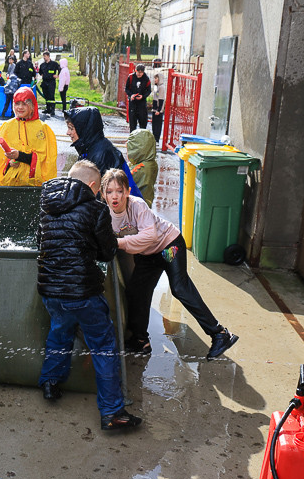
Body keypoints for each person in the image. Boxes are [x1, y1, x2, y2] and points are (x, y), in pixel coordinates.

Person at [36, 161, 141, 431]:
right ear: (94, 186)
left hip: (50, 291)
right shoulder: (96, 208)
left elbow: (40, 242)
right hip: (82, 292)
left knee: (60, 331)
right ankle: (112, 413)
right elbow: (107, 252)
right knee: (104, 346)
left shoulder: (47, 203)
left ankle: (50, 383)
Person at [102, 168, 239, 358]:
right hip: (147, 255)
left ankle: (220, 334)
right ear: (103, 194)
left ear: (127, 192)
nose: (114, 196)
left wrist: (120, 243)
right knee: (135, 292)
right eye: (109, 192)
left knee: (180, 288)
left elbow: (151, 235)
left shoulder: (137, 205)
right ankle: (141, 341)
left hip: (168, 245)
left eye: (119, 190)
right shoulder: (105, 215)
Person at [0, 87, 57, 187]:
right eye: (17, 103)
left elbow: (47, 160)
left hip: (35, 185)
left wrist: (20, 156)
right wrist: (10, 162)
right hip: (11, 183)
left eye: (24, 104)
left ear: (32, 106)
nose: (20, 107)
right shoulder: (7, 127)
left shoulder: (43, 129)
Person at [65, 107, 138, 195]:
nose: (68, 132)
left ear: (83, 129)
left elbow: (101, 194)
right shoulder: (89, 146)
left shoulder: (101, 153)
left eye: (71, 128)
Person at [126, 128, 158, 208]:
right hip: (144, 204)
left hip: (137, 208)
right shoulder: (150, 162)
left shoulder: (141, 168)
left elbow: (124, 178)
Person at [125, 63, 151, 132]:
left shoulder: (146, 79)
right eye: (138, 72)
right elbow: (126, 88)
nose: (139, 74)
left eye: (141, 72)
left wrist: (143, 96)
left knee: (143, 123)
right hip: (133, 102)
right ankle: (132, 138)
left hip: (142, 103)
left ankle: (142, 139)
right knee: (132, 124)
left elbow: (149, 90)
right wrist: (131, 95)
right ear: (135, 71)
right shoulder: (130, 77)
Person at [38, 51, 61, 116]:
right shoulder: (42, 65)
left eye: (45, 56)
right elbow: (40, 72)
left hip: (51, 82)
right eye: (43, 56)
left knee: (51, 96)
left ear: (48, 56)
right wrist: (43, 75)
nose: (44, 58)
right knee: (46, 96)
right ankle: (48, 108)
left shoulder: (54, 64)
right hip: (45, 82)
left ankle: (52, 109)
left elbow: (59, 69)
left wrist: (57, 75)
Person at [150, 72, 165, 144]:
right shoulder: (156, 87)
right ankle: (154, 138)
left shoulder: (161, 87)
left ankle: (157, 139)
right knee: (154, 124)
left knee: (158, 125)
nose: (155, 80)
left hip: (158, 110)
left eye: (156, 78)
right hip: (154, 109)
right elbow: (155, 97)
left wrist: (159, 110)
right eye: (154, 78)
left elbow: (161, 99)